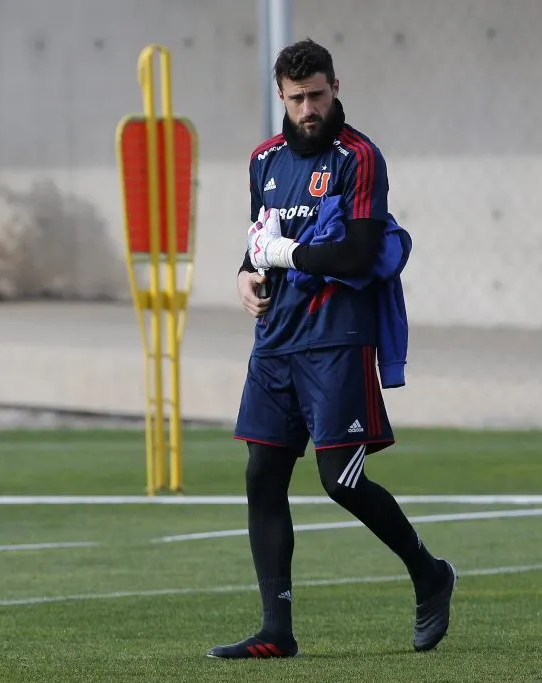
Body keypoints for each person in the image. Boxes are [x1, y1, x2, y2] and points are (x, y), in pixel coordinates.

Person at [207, 38, 456, 660]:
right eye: (296, 99)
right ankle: (276, 630)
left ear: (335, 87)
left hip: (336, 342)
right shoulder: (264, 160)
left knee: (340, 481)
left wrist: (285, 254)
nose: (308, 109)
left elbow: (360, 253)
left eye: (317, 95)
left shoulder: (358, 157)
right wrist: (245, 274)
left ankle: (429, 573)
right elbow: (260, 240)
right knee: (262, 477)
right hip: (275, 344)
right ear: (281, 97)